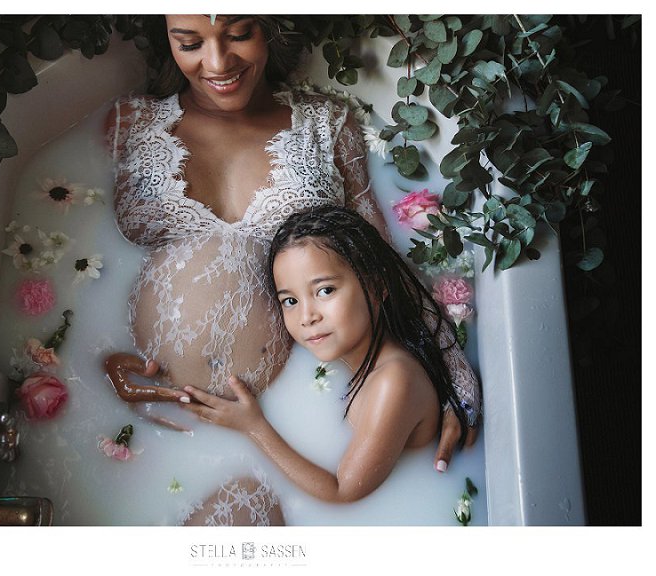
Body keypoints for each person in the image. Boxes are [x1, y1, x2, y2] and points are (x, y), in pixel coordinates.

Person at [103, 15, 480, 523]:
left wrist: (457, 382)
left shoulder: (327, 124)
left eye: (238, 34)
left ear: (274, 28)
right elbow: (89, 258)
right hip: (152, 422)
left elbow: (380, 264)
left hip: (289, 420)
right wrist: (102, 367)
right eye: (189, 43)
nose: (216, 63)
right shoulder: (129, 123)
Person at [179, 205, 474, 503]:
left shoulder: (394, 381)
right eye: (291, 300)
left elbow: (342, 491)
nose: (307, 316)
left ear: (377, 285)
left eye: (325, 291)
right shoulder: (361, 354)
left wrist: (254, 427)